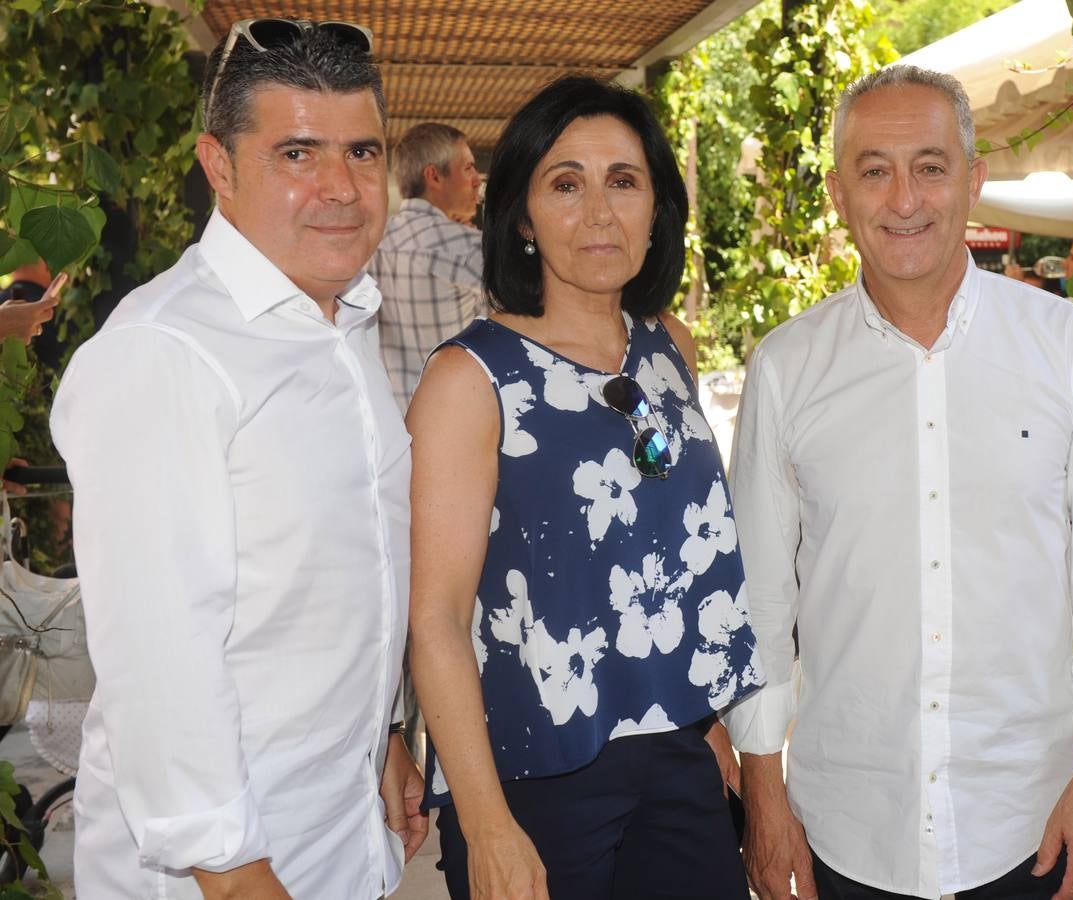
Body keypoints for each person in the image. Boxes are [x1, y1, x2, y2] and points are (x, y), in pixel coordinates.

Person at [724, 64, 1073, 900]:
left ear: (972, 179)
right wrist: (763, 794)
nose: (904, 199)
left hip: (1032, 819)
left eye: (929, 167)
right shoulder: (786, 367)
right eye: (874, 170)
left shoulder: (1064, 345)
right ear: (838, 193)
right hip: (848, 825)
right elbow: (759, 602)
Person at [50, 18, 425, 898]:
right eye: (297, 154)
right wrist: (231, 870)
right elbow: (159, 651)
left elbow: (338, 580)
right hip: (216, 867)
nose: (341, 188)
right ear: (217, 166)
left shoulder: (341, 325)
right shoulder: (164, 351)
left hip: (339, 831)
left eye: (362, 152)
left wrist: (383, 732)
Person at [407, 75, 762, 900]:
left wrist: (697, 718)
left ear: (656, 208)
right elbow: (435, 619)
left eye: (623, 182)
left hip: (677, 757)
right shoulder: (470, 379)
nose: (599, 213)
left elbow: (665, 540)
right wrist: (485, 824)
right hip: (532, 776)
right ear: (522, 217)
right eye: (566, 184)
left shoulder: (668, 346)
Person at [368, 122, 486, 412]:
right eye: (468, 168)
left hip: (389, 418)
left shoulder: (371, 240)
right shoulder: (464, 245)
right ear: (434, 176)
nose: (477, 179)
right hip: (455, 417)